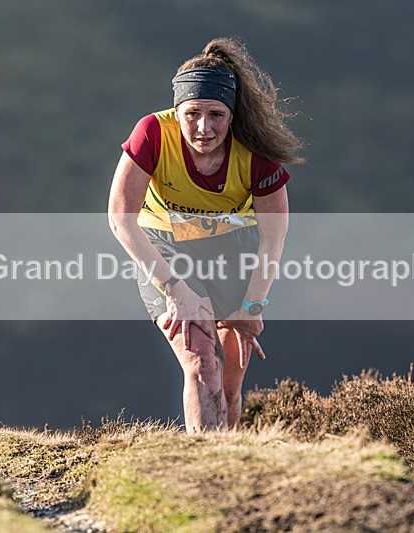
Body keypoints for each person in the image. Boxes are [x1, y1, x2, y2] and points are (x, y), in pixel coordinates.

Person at [108, 37, 303, 433]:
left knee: (229, 382)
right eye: (192, 113)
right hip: (165, 251)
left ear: (232, 116)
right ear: (176, 110)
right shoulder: (152, 134)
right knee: (201, 363)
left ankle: (229, 462)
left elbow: (273, 238)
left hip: (235, 253)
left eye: (216, 114)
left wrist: (251, 307)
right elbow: (120, 219)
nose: (203, 127)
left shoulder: (255, 151)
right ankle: (208, 463)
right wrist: (174, 287)